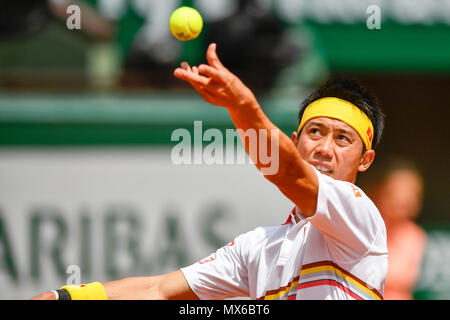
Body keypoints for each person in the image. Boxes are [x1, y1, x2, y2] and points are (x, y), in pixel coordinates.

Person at [32, 43, 387, 300]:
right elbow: (157, 290)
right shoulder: (259, 247)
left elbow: (289, 175)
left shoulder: (360, 216)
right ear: (296, 141)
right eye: (315, 132)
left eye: (343, 139)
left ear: (365, 159)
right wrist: (66, 298)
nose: (325, 148)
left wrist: (244, 107)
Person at [360, 158, 426, 300]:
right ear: (377, 191)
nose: (407, 199)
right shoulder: (359, 230)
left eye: (414, 192)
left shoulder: (415, 235)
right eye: (400, 191)